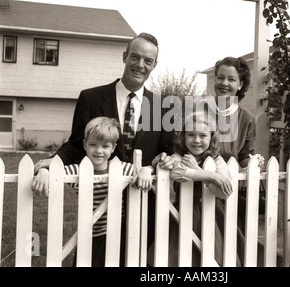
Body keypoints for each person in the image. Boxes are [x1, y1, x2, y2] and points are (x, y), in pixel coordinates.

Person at [33, 32, 174, 265]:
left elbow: (166, 152)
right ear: (124, 56)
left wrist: (154, 166)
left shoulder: (162, 107)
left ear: (154, 65)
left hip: (145, 206)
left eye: (148, 61)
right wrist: (53, 162)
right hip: (100, 210)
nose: (140, 65)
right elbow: (77, 144)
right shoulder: (92, 97)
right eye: (135, 57)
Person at [32, 116, 134, 266]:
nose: (99, 151)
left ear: (113, 148)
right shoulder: (77, 171)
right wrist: (44, 172)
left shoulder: (122, 168)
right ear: (85, 145)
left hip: (118, 234)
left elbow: (142, 172)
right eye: (93, 145)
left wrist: (144, 171)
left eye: (105, 146)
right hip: (89, 234)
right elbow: (55, 171)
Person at [151, 109, 234, 266]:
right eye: (191, 135)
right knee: (181, 255)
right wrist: (211, 176)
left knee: (212, 255)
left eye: (203, 135)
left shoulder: (216, 160)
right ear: (183, 137)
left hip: (212, 213)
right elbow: (177, 173)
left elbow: (224, 191)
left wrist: (198, 170)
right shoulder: (178, 157)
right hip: (183, 212)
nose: (196, 140)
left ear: (211, 137)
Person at [210, 56, 258, 266]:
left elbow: (245, 155)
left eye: (231, 79)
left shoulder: (246, 119)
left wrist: (254, 165)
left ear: (240, 85)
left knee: (227, 253)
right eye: (220, 77)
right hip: (197, 190)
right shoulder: (199, 110)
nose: (224, 84)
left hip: (228, 192)